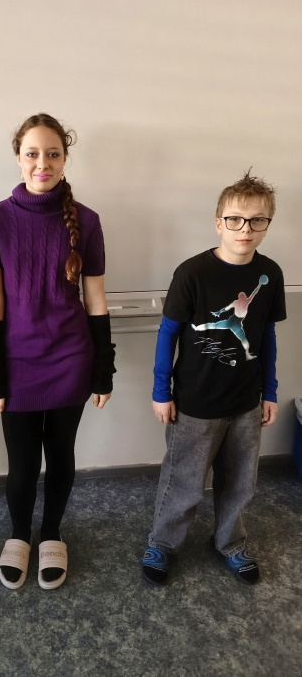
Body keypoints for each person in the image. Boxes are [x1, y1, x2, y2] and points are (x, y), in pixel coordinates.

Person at [0, 113, 116, 590]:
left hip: (70, 359)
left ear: (65, 159)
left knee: (60, 457)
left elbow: (95, 299)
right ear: (18, 158)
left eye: (53, 153)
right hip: (16, 364)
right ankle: (19, 535)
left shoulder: (88, 221)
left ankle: (52, 533)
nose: (43, 163)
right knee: (21, 465)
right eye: (32, 153)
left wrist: (104, 368)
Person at [142, 170, 286, 586]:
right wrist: (161, 391)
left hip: (246, 403)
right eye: (236, 219)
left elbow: (267, 336)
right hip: (195, 403)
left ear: (267, 225)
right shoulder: (192, 273)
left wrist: (270, 392)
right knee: (183, 482)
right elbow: (168, 333)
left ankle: (230, 543)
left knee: (240, 482)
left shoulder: (270, 273)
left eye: (257, 220)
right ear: (218, 222)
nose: (246, 228)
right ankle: (162, 543)